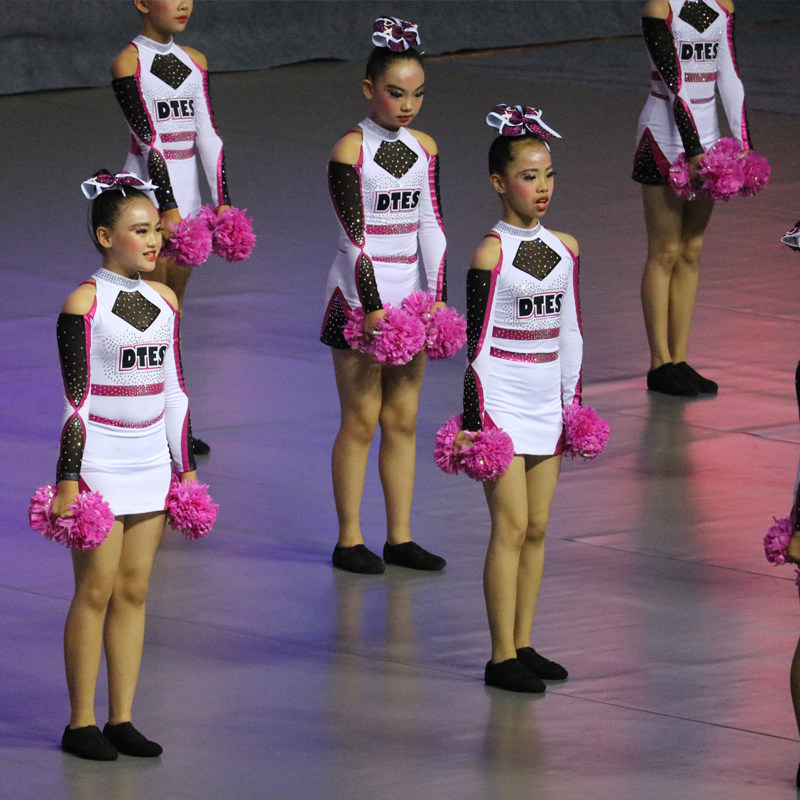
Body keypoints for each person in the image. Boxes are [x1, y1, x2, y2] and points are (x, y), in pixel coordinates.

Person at [54, 172, 197, 760]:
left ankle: (122, 718)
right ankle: (80, 723)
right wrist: (68, 479)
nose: (154, 240)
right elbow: (76, 401)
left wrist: (184, 469)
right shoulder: (84, 304)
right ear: (105, 236)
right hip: (99, 463)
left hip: (151, 461)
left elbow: (175, 390)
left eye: (156, 229)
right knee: (95, 590)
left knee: (134, 591)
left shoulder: (166, 301)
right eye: (140, 231)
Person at [456, 105, 581, 693]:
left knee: (537, 527)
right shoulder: (491, 254)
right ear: (499, 183)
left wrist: (572, 405)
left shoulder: (566, 249)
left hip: (547, 403)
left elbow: (570, 331)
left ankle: (524, 643)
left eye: (549, 174)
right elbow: (476, 346)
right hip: (502, 403)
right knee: (509, 526)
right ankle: (499, 656)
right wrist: (476, 422)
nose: (543, 187)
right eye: (530, 176)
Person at [321, 17, 448, 575]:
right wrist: (373, 307)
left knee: (403, 420)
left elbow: (431, 225)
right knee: (361, 419)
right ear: (369, 88)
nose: (408, 105)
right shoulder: (350, 151)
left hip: (410, 299)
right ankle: (349, 539)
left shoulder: (424, 148)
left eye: (417, 94)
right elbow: (356, 239)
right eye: (396, 93)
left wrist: (435, 298)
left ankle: (400, 537)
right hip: (357, 298)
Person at [111, 0, 233, 453]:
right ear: (142, 2)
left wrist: (223, 205)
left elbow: (208, 136)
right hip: (148, 203)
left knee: (172, 317)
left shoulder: (195, 61)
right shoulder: (128, 63)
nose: (184, 3)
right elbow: (149, 142)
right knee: (145, 322)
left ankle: (174, 427)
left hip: (189, 207)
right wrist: (167, 208)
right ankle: (138, 426)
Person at [633, 0, 750, 396]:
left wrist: (743, 145)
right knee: (665, 250)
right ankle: (660, 364)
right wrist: (694, 149)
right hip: (664, 137)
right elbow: (675, 85)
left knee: (692, 248)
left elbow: (729, 77)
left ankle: (680, 360)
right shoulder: (659, 9)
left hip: (710, 138)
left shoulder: (721, 6)